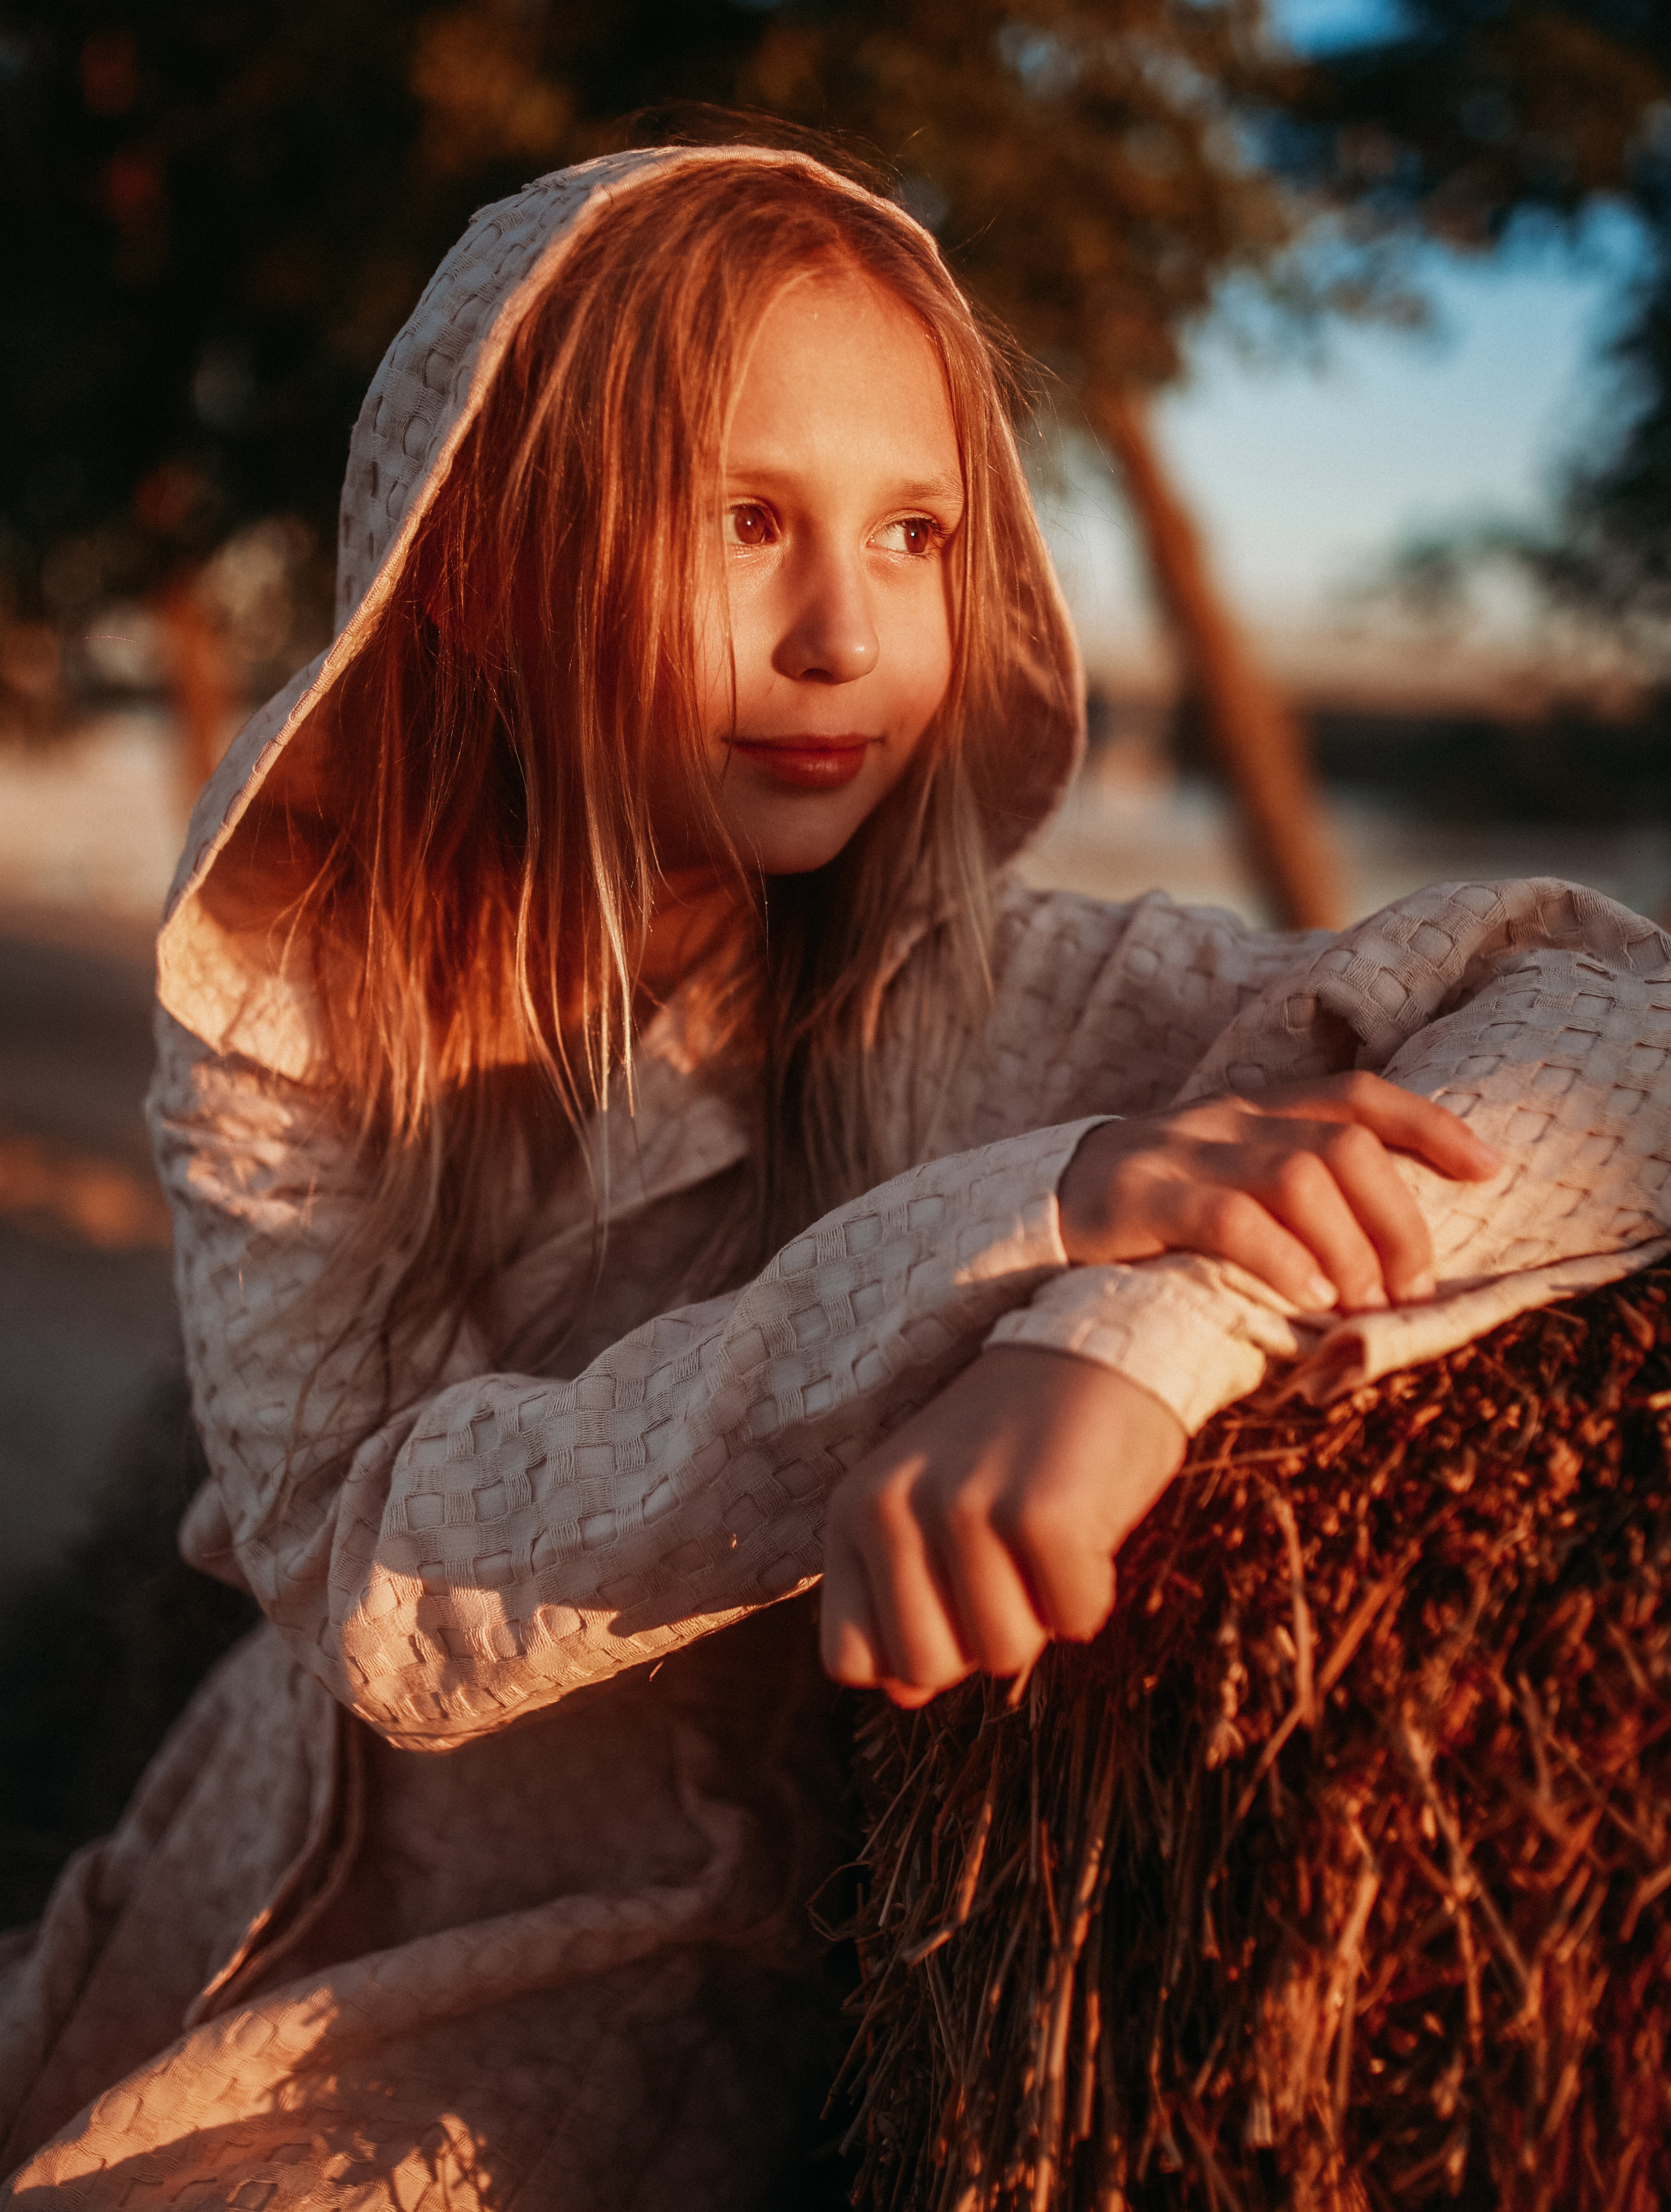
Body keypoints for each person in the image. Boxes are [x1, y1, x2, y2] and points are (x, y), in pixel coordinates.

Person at [2, 142, 1668, 2209]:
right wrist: (1019, 1220)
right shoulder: (307, 990)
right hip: (226, 1861)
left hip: (580, 2004)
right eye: (747, 522)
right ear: (478, 573)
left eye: (914, 534)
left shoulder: (1011, 998)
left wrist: (1133, 1334)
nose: (844, 633)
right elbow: (369, 1574)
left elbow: (1615, 1004)